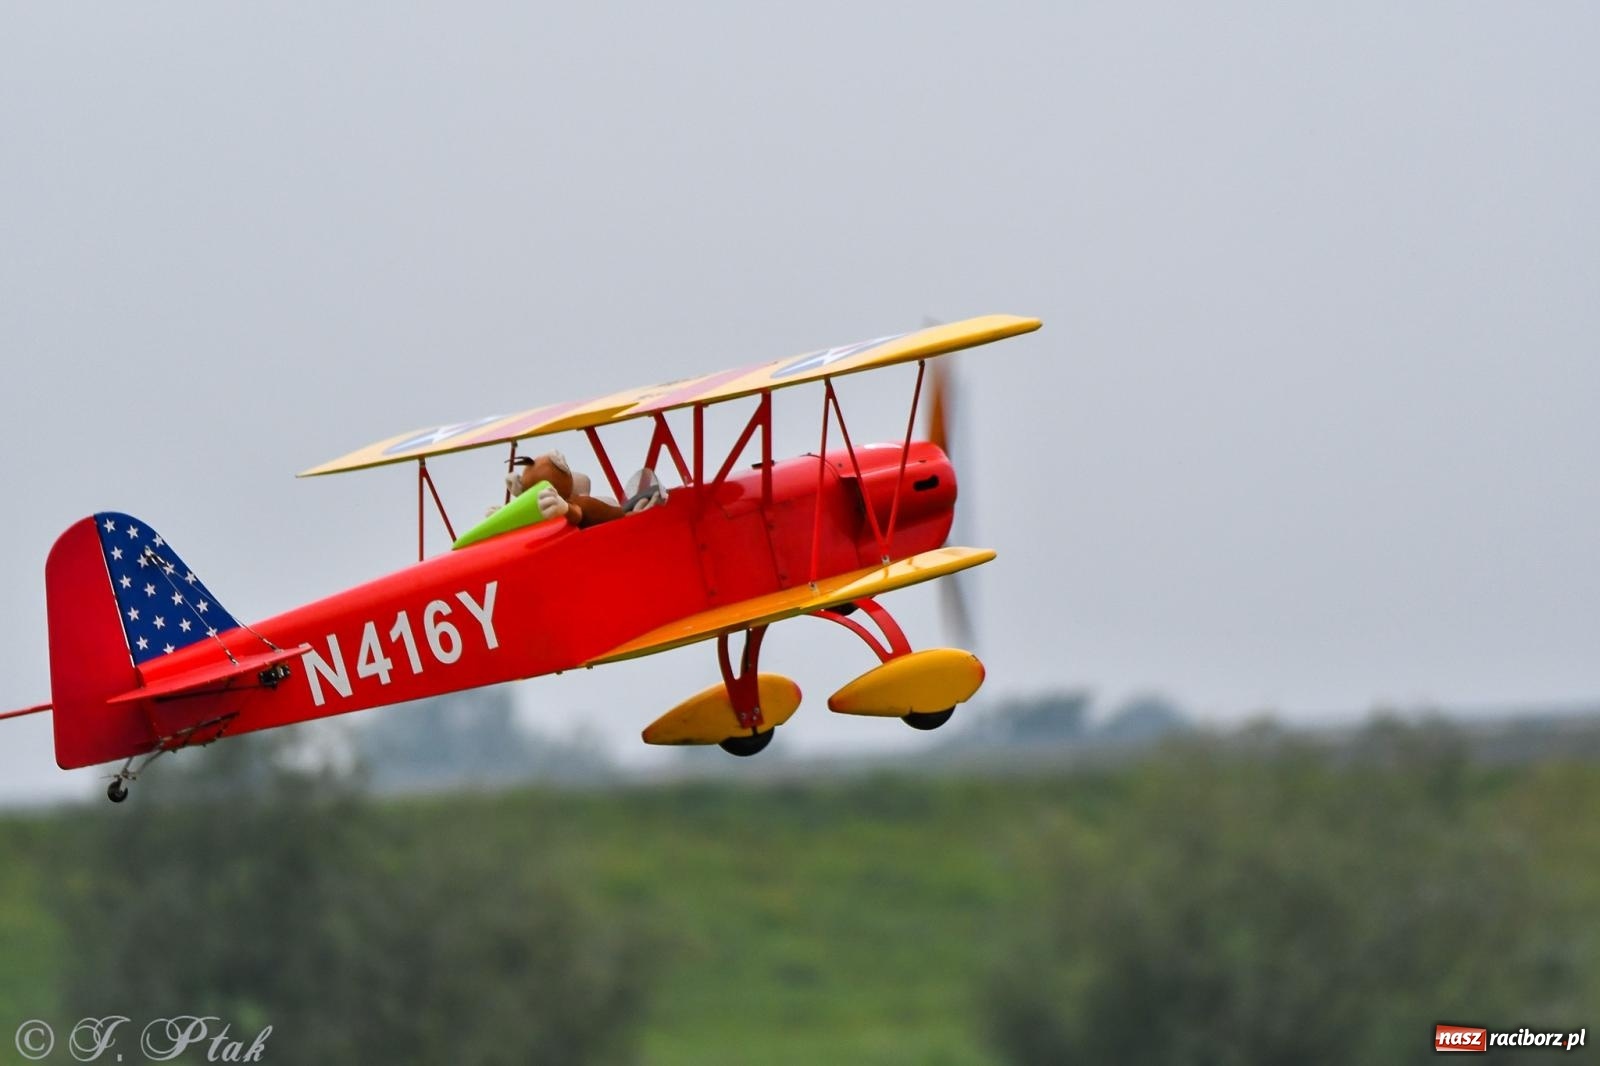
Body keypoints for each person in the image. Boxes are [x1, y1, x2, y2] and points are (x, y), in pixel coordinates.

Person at [504, 450, 664, 528]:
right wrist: (565, 509)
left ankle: (639, 514)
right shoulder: (579, 506)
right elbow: (577, 513)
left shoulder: (574, 504)